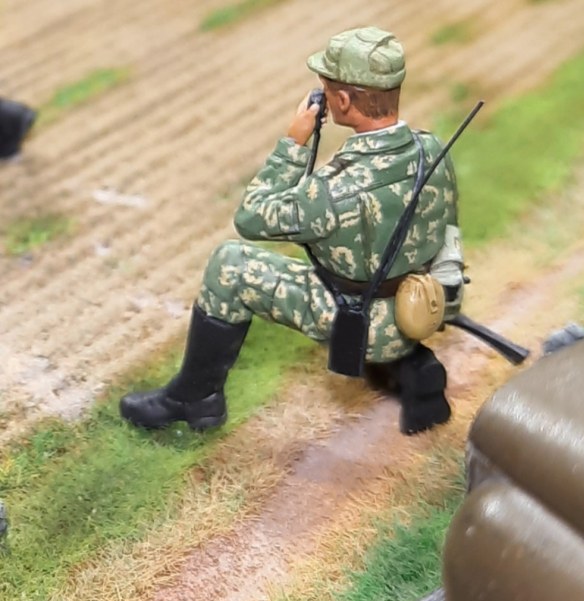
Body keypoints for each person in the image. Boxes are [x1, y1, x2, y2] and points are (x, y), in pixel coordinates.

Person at [120, 26, 465, 435]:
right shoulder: (431, 151)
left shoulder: (332, 190)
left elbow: (251, 217)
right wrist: (446, 301)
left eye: (327, 88)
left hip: (360, 324)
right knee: (376, 270)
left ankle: (194, 398)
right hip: (418, 309)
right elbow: (447, 234)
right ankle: (412, 366)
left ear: (342, 100)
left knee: (229, 264)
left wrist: (294, 143)